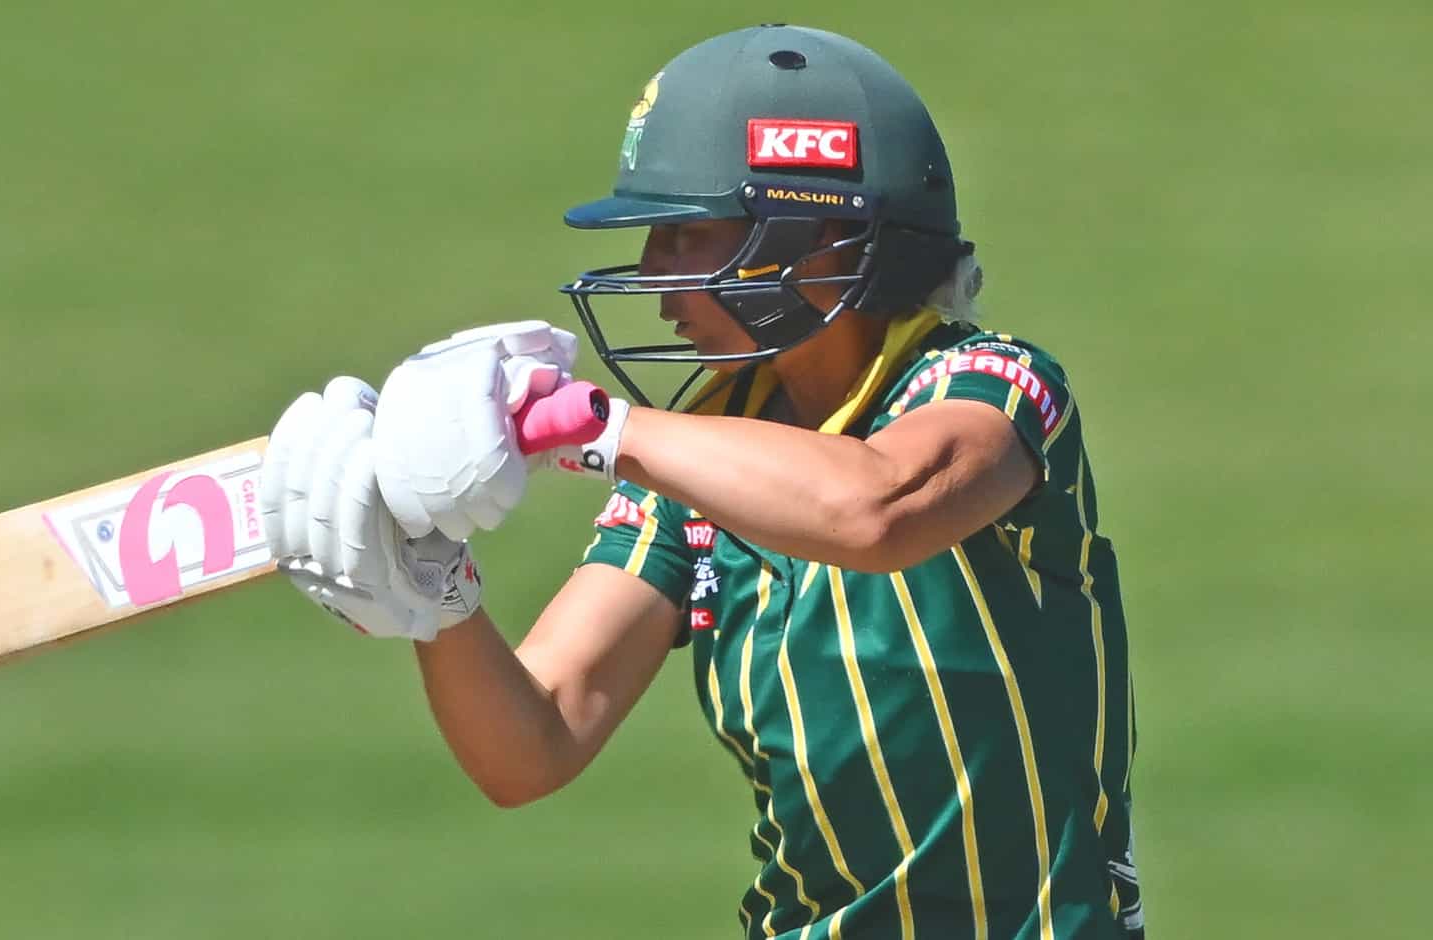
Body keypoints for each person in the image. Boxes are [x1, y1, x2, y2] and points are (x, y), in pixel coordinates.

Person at [260, 24, 1142, 940]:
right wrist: (440, 594)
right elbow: (534, 744)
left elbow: (877, 509)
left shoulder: (992, 385)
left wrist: (599, 427)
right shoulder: (691, 463)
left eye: (688, 233)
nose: (654, 272)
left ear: (818, 237)